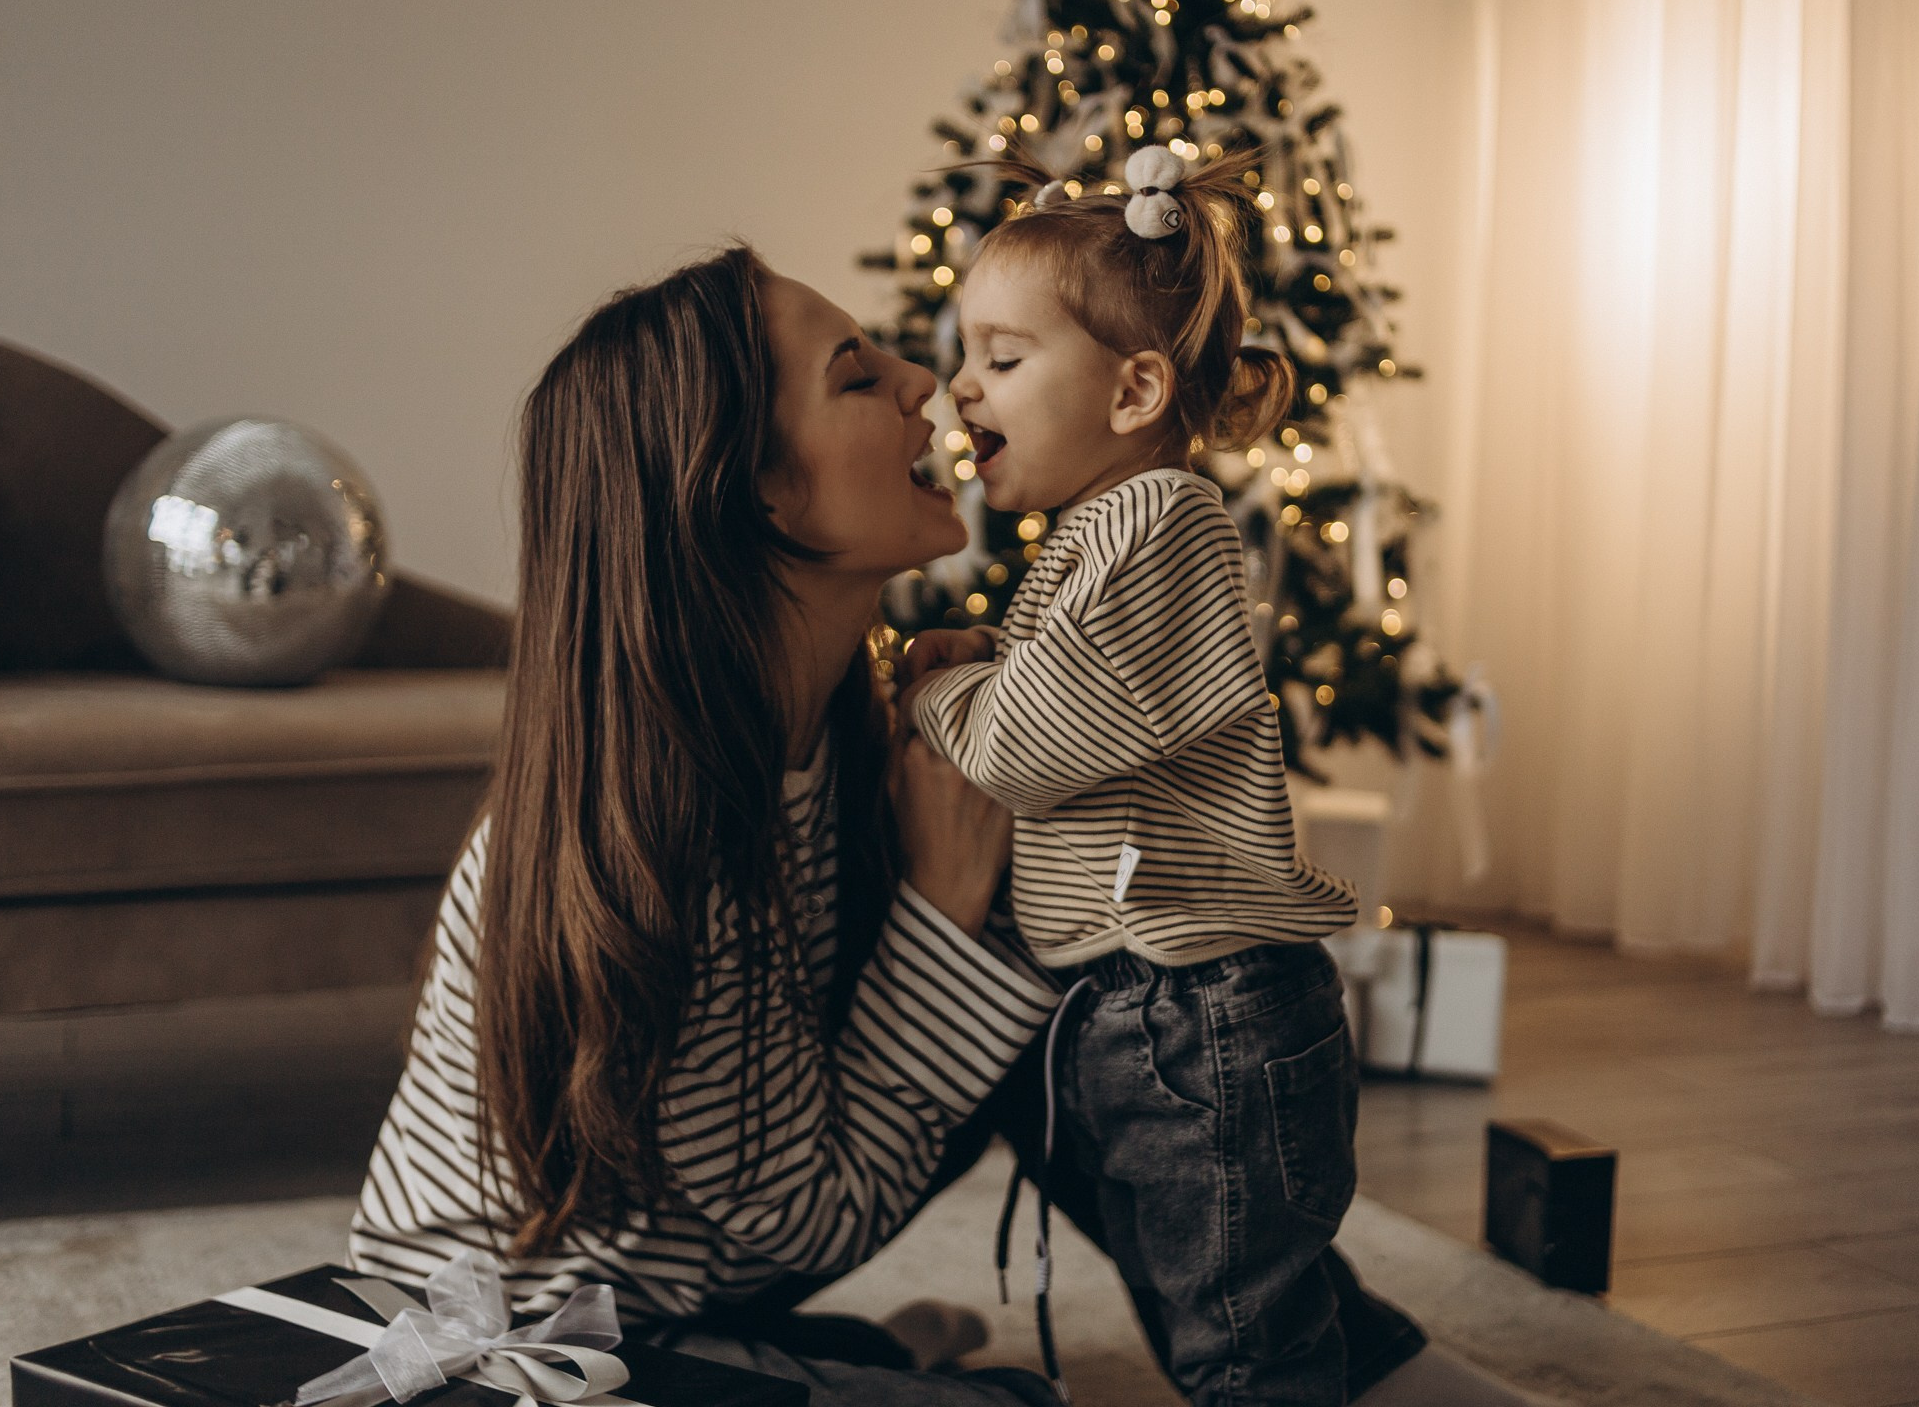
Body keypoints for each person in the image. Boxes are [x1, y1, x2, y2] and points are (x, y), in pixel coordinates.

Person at [348, 245, 1551, 1407]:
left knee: (1113, 1040)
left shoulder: (851, 730)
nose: (929, 383)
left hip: (710, 1275)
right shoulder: (669, 830)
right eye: (861, 377)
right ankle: (804, 1361)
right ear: (758, 489)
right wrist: (937, 910)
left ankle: (1348, 1356)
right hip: (529, 1340)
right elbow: (810, 1205)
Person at [900, 144, 1362, 1407]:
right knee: (1204, 1300)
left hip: (1202, 1005)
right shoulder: (1101, 534)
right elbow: (1088, 709)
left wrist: (935, 689)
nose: (959, 390)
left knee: (1244, 1340)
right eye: (964, 355)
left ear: (1134, 388)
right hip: (1150, 1003)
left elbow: (1025, 750)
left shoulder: (1159, 523)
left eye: (1003, 358)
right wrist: (996, 658)